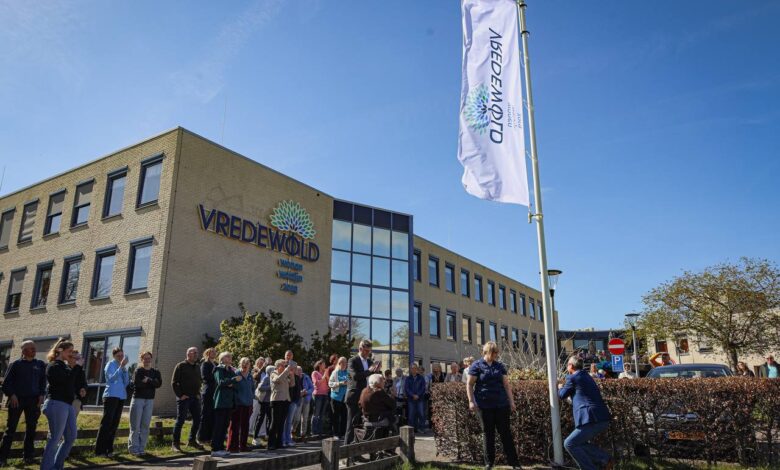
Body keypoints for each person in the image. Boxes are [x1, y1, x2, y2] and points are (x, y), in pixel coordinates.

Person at [466, 341, 521, 470]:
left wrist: (511, 401)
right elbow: (469, 384)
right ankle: (489, 463)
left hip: (501, 404)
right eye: (494, 352)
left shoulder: (499, 366)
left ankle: (515, 463)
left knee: (505, 433)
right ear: (487, 352)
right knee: (488, 433)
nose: (496, 355)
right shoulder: (476, 366)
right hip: (484, 406)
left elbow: (506, 385)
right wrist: (471, 401)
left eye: (497, 352)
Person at [558, 356, 613, 470]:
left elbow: (562, 394)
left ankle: (600, 461)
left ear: (571, 366)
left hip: (591, 418)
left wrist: (559, 387)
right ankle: (604, 459)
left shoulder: (573, 377)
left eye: (567, 364)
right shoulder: (586, 376)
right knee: (578, 443)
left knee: (569, 443)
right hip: (600, 417)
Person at [0, 340, 46, 466]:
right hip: (17, 400)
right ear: (24, 351)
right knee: (11, 429)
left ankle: (28, 457)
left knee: (31, 429)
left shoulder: (40, 364)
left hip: (33, 401)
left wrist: (42, 394)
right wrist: (12, 395)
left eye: (34, 348)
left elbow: (43, 382)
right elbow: (6, 384)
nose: (34, 350)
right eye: (31, 348)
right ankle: (2, 459)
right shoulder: (16, 365)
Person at [40, 339, 77, 470]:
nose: (72, 354)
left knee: (71, 436)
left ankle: (57, 465)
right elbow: (65, 382)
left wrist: (74, 367)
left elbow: (73, 382)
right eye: (70, 351)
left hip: (68, 404)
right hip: (56, 403)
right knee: (55, 437)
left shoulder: (66, 367)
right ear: (60, 351)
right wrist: (74, 367)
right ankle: (47, 467)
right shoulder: (53, 365)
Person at [95, 347, 129, 457]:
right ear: (114, 356)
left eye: (122, 355)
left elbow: (126, 382)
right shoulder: (110, 364)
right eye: (118, 356)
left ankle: (109, 449)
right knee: (106, 423)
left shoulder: (123, 367)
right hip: (111, 396)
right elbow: (111, 379)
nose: (120, 357)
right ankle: (99, 451)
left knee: (114, 424)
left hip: (121, 397)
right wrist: (120, 367)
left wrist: (124, 370)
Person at [345, 340, 381, 444]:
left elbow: (372, 378)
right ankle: (346, 451)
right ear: (360, 349)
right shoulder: (352, 360)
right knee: (351, 425)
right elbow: (355, 376)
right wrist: (369, 371)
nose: (368, 353)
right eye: (366, 351)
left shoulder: (369, 361)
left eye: (369, 351)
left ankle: (358, 450)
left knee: (363, 425)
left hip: (366, 397)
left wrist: (376, 371)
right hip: (354, 397)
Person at [128, 351, 162, 455]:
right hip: (138, 399)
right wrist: (152, 383)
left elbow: (159, 384)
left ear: (151, 359)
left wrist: (148, 380)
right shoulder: (138, 370)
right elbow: (137, 384)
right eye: (145, 358)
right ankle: (134, 448)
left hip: (150, 400)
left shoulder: (155, 372)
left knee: (145, 425)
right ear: (142, 359)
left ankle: (141, 448)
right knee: (135, 425)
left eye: (149, 358)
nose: (147, 360)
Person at [171, 346, 203, 452]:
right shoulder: (181, 366)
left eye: (197, 352)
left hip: (195, 397)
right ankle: (175, 444)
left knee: (197, 419)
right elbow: (174, 382)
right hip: (184, 398)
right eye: (194, 352)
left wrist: (198, 393)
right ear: (188, 354)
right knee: (181, 420)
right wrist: (180, 395)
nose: (196, 354)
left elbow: (199, 381)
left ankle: (192, 441)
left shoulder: (197, 367)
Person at [211, 352, 241, 457]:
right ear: (222, 359)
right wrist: (232, 380)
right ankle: (215, 448)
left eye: (230, 356)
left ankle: (220, 447)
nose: (230, 358)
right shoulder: (219, 369)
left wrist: (231, 382)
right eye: (227, 356)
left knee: (225, 425)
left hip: (229, 402)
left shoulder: (231, 370)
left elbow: (237, 384)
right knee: (219, 425)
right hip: (221, 401)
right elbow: (221, 382)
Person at [228, 357, 254, 452]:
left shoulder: (250, 376)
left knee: (245, 426)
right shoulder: (236, 374)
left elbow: (253, 388)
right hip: (238, 404)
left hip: (248, 404)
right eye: (243, 363)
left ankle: (243, 446)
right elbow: (231, 387)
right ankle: (232, 446)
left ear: (249, 365)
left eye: (247, 363)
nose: (245, 364)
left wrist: (251, 398)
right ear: (240, 364)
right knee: (235, 426)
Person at [268, 359, 294, 451]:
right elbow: (277, 380)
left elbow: (292, 384)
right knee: (275, 422)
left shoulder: (285, 374)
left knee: (282, 423)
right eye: (283, 365)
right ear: (277, 366)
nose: (284, 367)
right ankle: (271, 443)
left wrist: (291, 374)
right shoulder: (273, 373)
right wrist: (287, 371)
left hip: (285, 400)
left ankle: (279, 443)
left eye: (285, 365)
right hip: (276, 400)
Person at [197, 348, 217, 445]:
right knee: (205, 414)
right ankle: (201, 438)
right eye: (212, 352)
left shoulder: (216, 364)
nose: (214, 353)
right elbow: (205, 377)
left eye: (215, 352)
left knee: (212, 415)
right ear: (207, 354)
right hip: (208, 391)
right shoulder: (205, 364)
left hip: (215, 392)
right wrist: (216, 376)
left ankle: (209, 437)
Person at [283, 363, 304, 447]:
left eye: (295, 368)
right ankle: (284, 439)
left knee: (289, 422)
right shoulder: (287, 376)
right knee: (286, 421)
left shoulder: (297, 377)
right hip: (289, 401)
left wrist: (299, 396)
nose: (296, 369)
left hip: (295, 401)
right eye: (294, 368)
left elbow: (298, 389)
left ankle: (288, 439)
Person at [252, 365, 273, 445]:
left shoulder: (271, 378)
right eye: (273, 370)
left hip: (270, 401)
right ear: (269, 371)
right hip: (264, 401)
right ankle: (255, 436)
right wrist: (270, 387)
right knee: (261, 418)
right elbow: (260, 387)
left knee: (270, 419)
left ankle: (268, 435)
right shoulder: (266, 378)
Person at [329, 356, 349, 438]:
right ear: (339, 363)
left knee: (344, 416)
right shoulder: (335, 372)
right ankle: (335, 434)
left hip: (345, 398)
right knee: (335, 417)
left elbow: (351, 382)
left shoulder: (348, 372)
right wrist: (340, 383)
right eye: (343, 363)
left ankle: (343, 434)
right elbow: (330, 384)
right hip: (336, 397)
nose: (344, 364)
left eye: (345, 363)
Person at [405, 364, 427, 433]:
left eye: (415, 368)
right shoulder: (408, 378)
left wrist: (418, 395)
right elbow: (407, 388)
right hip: (411, 399)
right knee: (411, 414)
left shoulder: (421, 378)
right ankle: (411, 429)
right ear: (410, 370)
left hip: (420, 399)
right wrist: (412, 395)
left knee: (421, 414)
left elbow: (423, 388)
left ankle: (421, 428)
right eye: (412, 368)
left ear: (417, 369)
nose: (413, 370)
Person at [248, 358, 266, 442]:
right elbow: (255, 377)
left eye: (262, 363)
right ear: (256, 363)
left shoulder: (265, 373)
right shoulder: (254, 370)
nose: (261, 364)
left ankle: (261, 433)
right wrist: (261, 369)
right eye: (260, 363)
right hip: (256, 395)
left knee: (262, 415)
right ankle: (249, 430)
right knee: (254, 413)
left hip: (264, 396)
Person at [311, 360, 329, 437]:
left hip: (325, 395)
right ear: (319, 365)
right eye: (324, 364)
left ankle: (320, 431)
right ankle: (314, 431)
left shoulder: (325, 373)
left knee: (322, 414)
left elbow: (329, 383)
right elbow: (316, 383)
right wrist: (324, 376)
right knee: (316, 413)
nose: (325, 366)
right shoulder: (315, 373)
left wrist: (326, 376)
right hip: (318, 395)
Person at [295, 366, 314, 438]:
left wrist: (306, 392)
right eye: (298, 370)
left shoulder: (306, 377)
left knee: (305, 418)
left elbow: (312, 387)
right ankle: (293, 431)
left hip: (306, 399)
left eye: (300, 370)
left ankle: (303, 434)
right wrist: (299, 393)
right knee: (297, 418)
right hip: (298, 399)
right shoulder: (294, 377)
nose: (299, 372)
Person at [68, 350, 88, 417]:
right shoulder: (66, 369)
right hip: (67, 400)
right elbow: (69, 381)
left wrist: (83, 388)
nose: (79, 361)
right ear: (69, 359)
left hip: (77, 400)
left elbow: (84, 383)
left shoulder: (81, 371)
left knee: (72, 420)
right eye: (76, 358)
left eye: (79, 358)